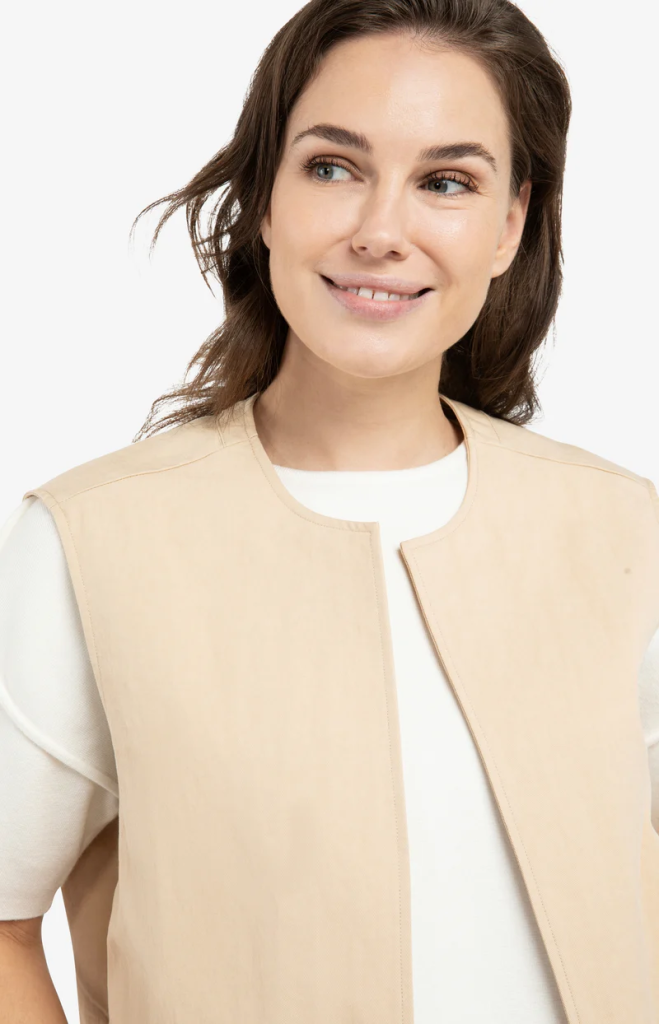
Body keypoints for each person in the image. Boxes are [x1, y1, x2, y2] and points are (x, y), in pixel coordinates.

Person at [1, 0, 658, 1022]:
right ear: (265, 199)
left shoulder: (622, 532)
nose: (380, 232)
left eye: (446, 181)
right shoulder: (93, 544)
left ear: (509, 224)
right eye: (332, 167)